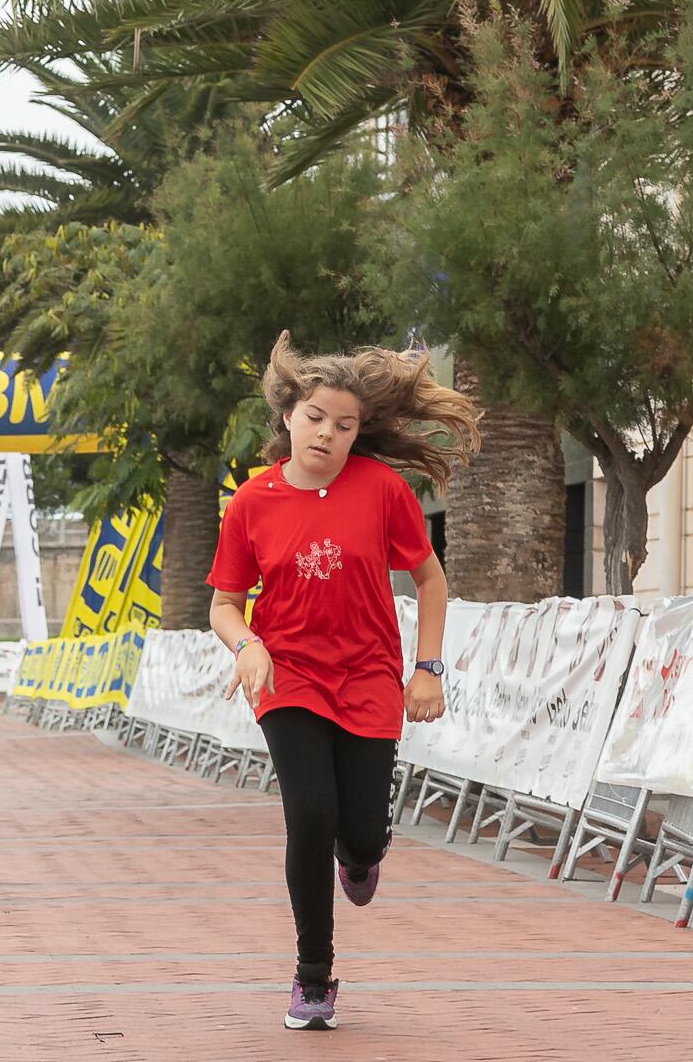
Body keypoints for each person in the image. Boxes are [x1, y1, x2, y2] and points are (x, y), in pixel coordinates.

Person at [208, 332, 480, 1032]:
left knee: (358, 834)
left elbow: (430, 578)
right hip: (288, 676)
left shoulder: (381, 490)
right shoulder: (251, 504)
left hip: (367, 678)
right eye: (316, 417)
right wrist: (247, 645)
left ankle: (360, 859)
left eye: (345, 424)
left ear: (360, 432)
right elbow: (224, 603)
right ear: (288, 417)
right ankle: (312, 977)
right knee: (310, 814)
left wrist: (427, 669)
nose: (328, 432)